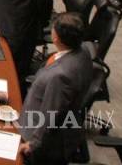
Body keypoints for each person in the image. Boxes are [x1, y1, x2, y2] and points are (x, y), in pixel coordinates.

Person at [19, 12, 92, 165]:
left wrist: (33, 144)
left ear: (56, 38)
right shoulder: (84, 51)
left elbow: (50, 114)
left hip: (40, 140)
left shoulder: (60, 77)